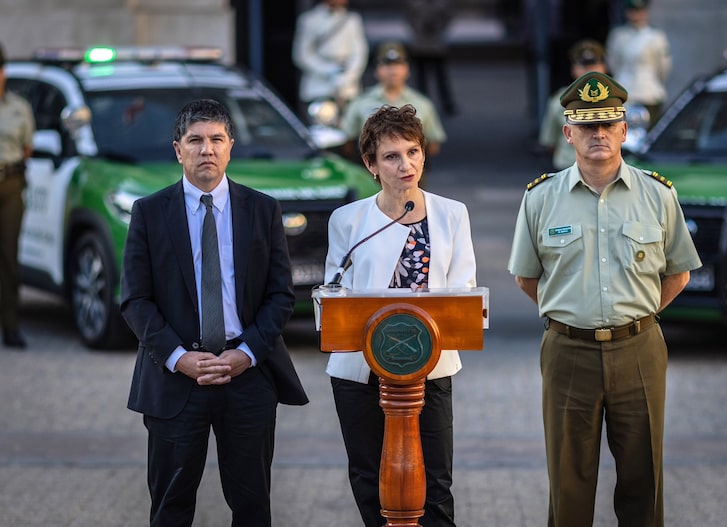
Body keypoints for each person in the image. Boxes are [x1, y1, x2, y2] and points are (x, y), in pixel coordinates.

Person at [507, 72, 701, 527]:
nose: (598, 134)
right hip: (568, 351)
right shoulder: (540, 198)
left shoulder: (658, 194)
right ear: (567, 133)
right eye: (587, 125)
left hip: (639, 349)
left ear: (624, 130)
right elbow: (525, 278)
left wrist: (638, 315)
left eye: (608, 124)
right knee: (569, 482)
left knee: (643, 480)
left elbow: (679, 272)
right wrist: (573, 312)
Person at [120, 99, 309, 527]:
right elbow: (135, 299)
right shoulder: (149, 213)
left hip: (247, 378)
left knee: (252, 507)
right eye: (196, 141)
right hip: (174, 381)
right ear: (177, 150)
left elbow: (282, 295)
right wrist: (178, 358)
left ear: (230, 147)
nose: (207, 149)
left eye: (216, 140)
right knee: (170, 508)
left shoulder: (262, 210)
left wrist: (246, 353)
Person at [325, 104, 475, 527]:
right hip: (361, 370)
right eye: (391, 156)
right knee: (369, 479)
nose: (405, 165)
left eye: (413, 152)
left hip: (429, 365)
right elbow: (334, 296)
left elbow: (463, 292)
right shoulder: (348, 220)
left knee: (436, 484)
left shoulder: (452, 214)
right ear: (371, 165)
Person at [341, 41, 446, 187]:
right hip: (370, 176)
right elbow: (347, 143)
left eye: (398, 65)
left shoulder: (422, 103)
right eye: (387, 65)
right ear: (377, 70)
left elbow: (433, 144)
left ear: (407, 69)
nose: (393, 71)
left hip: (411, 177)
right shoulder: (360, 103)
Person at [0, 42, 35, 349]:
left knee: (9, 257)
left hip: (10, 184)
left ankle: (10, 326)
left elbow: (27, 148)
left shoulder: (18, 107)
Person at [538, 39, 608, 171]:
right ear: (573, 69)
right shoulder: (559, 100)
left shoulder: (619, 98)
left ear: (604, 67)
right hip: (568, 166)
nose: (589, 72)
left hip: (606, 169)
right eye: (584, 67)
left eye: (594, 66)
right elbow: (550, 141)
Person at [292, 0, 368, 117]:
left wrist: (348, 76)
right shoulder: (309, 19)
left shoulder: (352, 19)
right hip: (318, 87)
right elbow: (302, 55)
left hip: (347, 87)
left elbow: (359, 53)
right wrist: (328, 70)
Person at [606, 0, 671, 127]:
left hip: (649, 92)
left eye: (639, 11)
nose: (635, 15)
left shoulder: (656, 36)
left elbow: (663, 67)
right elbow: (613, 64)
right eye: (632, 11)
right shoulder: (618, 35)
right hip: (625, 90)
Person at [405, 0, 458, 115]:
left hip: (435, 44)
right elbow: (409, 17)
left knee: (440, 77)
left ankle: (447, 104)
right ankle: (422, 104)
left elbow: (448, 17)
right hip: (422, 44)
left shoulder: (441, 4)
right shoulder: (416, 4)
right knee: (421, 78)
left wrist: (439, 28)